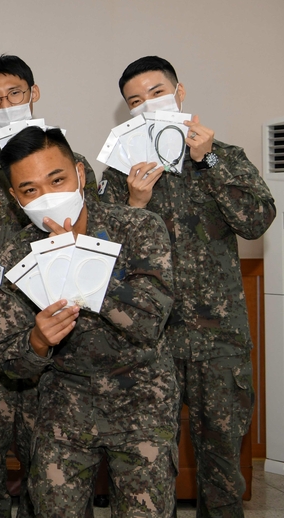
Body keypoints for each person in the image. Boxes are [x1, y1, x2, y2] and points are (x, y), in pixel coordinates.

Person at [100, 56, 276, 516]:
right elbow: (102, 255)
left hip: (219, 342)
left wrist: (210, 160)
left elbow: (256, 221)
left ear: (179, 94)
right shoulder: (121, 173)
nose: (148, 105)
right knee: (149, 464)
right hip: (149, 342)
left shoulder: (224, 157)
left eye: (156, 93)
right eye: (135, 101)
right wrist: (136, 203)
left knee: (221, 466)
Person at [0, 126, 177, 516]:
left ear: (79, 173)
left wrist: (79, 263)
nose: (48, 197)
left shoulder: (139, 228)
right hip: (64, 408)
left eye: (56, 180)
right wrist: (38, 342)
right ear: (15, 198)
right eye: (30, 190)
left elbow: (149, 321)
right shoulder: (11, 255)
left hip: (143, 400)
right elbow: (10, 363)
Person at [0, 54, 102, 518]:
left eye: (15, 93)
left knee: (56, 472)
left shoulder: (72, 163)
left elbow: (92, 237)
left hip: (55, 331)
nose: (5, 103)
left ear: (34, 94)